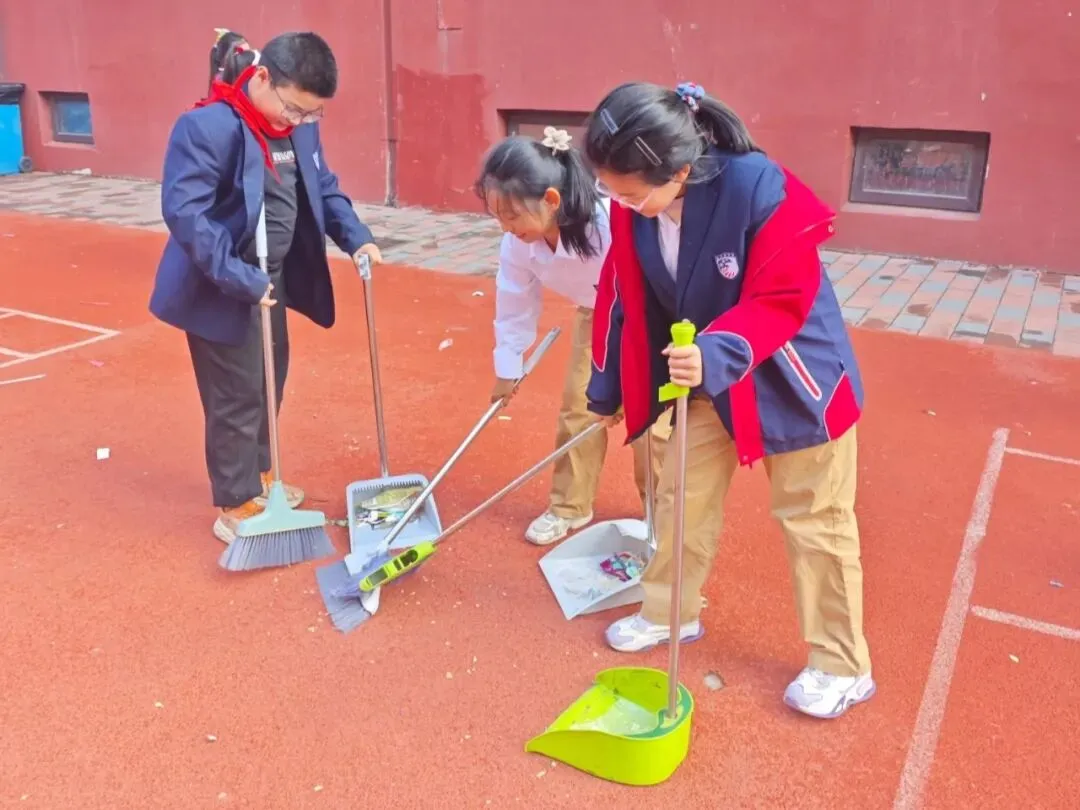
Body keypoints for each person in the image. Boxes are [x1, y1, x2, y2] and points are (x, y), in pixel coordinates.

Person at [584, 81, 873, 719]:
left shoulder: (759, 186)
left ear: (680, 171)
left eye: (628, 192)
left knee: (815, 520)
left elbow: (783, 297)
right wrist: (607, 390)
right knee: (679, 495)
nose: (619, 205)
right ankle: (669, 612)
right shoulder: (635, 208)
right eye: (611, 191)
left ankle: (841, 664)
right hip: (707, 377)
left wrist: (714, 353)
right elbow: (624, 294)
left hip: (795, 378)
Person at [149, 32, 383, 545]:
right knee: (234, 393)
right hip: (221, 281)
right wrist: (241, 279)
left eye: (311, 114)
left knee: (268, 378)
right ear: (261, 78)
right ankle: (236, 502)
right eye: (293, 108)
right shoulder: (207, 127)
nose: (297, 121)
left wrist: (356, 237)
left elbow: (323, 186)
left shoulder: (300, 130)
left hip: (269, 279)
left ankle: (259, 479)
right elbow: (186, 214)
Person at [475, 128, 669, 545]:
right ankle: (570, 506)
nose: (505, 227)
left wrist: (623, 388)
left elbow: (653, 282)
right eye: (497, 217)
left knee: (651, 421)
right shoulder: (517, 243)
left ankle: (662, 514)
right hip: (596, 314)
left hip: (650, 317)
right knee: (579, 409)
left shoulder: (608, 222)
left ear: (550, 200)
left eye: (512, 215)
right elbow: (514, 301)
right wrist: (508, 367)